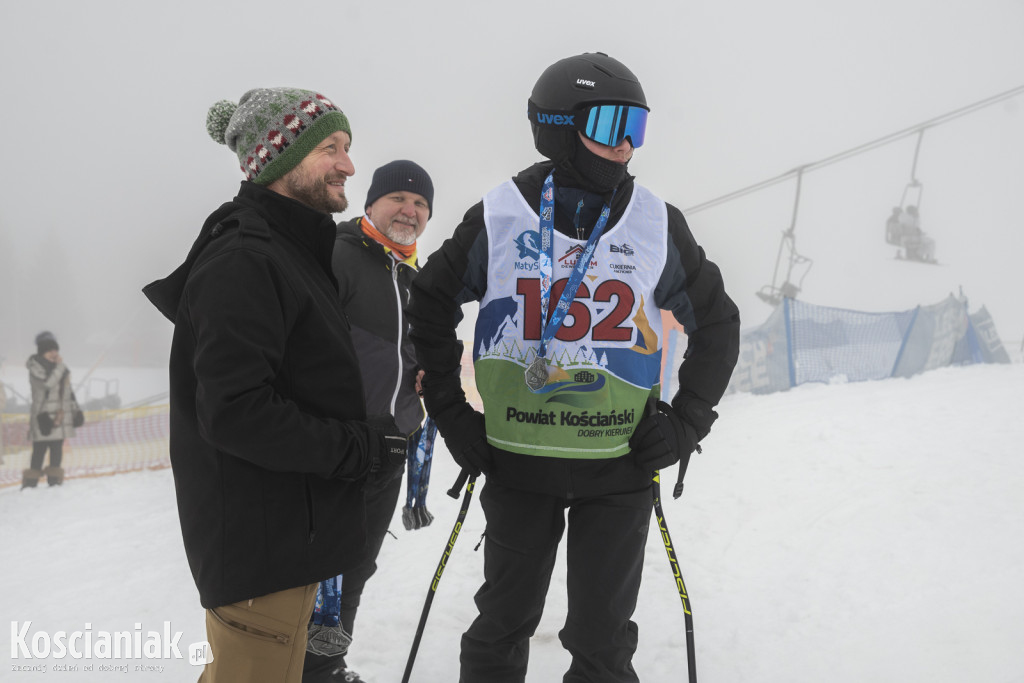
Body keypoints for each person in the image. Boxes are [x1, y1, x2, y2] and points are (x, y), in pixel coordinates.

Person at [406, 52, 741, 682]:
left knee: (603, 642)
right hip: (517, 464)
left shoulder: (654, 223)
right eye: (612, 126)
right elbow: (428, 303)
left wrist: (687, 421)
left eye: (636, 129)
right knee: (502, 626)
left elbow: (717, 324)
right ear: (560, 125)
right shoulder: (502, 214)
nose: (626, 148)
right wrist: (453, 416)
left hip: (618, 470)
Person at [142, 87, 407, 683]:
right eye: (331, 148)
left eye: (347, 147)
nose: (349, 164)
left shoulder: (290, 252)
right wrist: (358, 447)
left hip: (290, 539)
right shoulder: (245, 259)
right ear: (280, 159)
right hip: (263, 554)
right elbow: (237, 412)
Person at [302, 160, 435, 683]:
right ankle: (288, 666)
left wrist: (426, 371)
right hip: (338, 445)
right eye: (399, 198)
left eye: (421, 204)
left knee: (356, 566)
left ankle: (326, 666)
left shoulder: (413, 278)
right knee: (316, 569)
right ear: (372, 204)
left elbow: (410, 355)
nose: (411, 210)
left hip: (391, 446)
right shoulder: (336, 254)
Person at [23, 331, 81, 488]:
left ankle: (54, 483)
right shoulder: (35, 367)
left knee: (57, 450)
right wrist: (61, 367)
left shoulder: (60, 369)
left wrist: (75, 409)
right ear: (42, 352)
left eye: (55, 350)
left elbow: (67, 391)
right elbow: (47, 384)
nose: (54, 354)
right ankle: (30, 484)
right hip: (43, 417)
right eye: (50, 351)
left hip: (59, 417)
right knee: (39, 451)